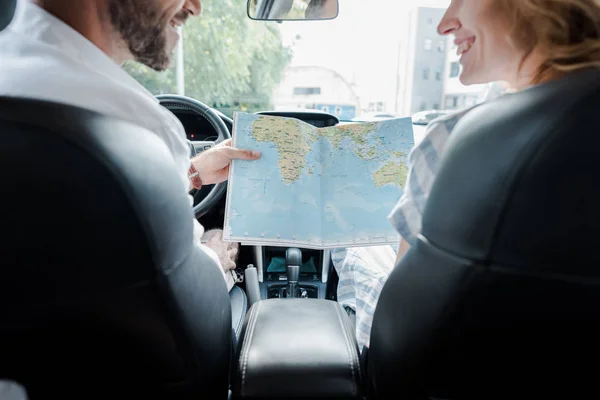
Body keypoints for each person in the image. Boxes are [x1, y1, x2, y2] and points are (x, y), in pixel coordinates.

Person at [333, 0, 600, 350]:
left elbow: (402, 302)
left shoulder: (451, 139)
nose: (444, 24)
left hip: (436, 367)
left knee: (354, 248)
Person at [0, 0, 259, 291]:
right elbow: (192, 288)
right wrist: (214, 253)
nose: (195, 6)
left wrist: (190, 173)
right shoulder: (142, 125)